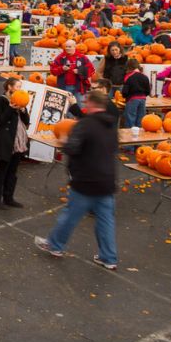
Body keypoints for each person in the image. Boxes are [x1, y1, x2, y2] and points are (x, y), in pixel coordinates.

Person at [36, 90, 120, 269]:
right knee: (106, 220)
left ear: (91, 103)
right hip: (107, 179)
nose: (84, 104)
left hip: (86, 179)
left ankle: (55, 245)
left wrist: (65, 139)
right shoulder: (112, 126)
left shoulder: (85, 124)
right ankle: (109, 257)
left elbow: (72, 148)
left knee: (70, 215)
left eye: (86, 102)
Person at [0, 78, 30, 209]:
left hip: (18, 141)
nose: (20, 89)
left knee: (12, 172)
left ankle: (9, 198)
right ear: (9, 87)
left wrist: (23, 111)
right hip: (5, 141)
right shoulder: (0, 100)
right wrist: (10, 108)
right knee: (2, 171)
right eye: (18, 86)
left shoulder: (21, 101)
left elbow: (26, 122)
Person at [50, 39, 95, 104]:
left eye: (69, 47)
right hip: (64, 87)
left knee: (80, 107)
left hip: (79, 87)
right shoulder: (60, 57)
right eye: (66, 46)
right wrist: (62, 68)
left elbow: (91, 70)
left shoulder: (82, 57)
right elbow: (52, 70)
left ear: (74, 47)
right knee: (66, 108)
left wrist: (80, 71)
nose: (67, 48)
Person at [119, 57, 151, 129]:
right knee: (140, 119)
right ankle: (139, 136)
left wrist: (124, 96)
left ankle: (130, 136)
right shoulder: (145, 76)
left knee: (130, 118)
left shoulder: (128, 77)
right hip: (142, 99)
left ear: (129, 67)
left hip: (132, 99)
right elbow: (148, 90)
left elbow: (125, 91)